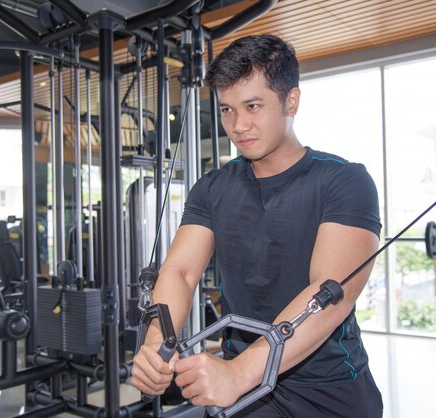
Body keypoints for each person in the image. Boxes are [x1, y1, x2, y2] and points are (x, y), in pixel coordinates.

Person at [131, 34, 383, 417]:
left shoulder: (344, 181)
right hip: (245, 389)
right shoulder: (212, 188)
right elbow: (181, 272)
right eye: (227, 110)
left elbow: (331, 293)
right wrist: (155, 344)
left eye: (252, 106)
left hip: (328, 388)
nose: (238, 125)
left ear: (291, 101)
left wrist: (239, 373)